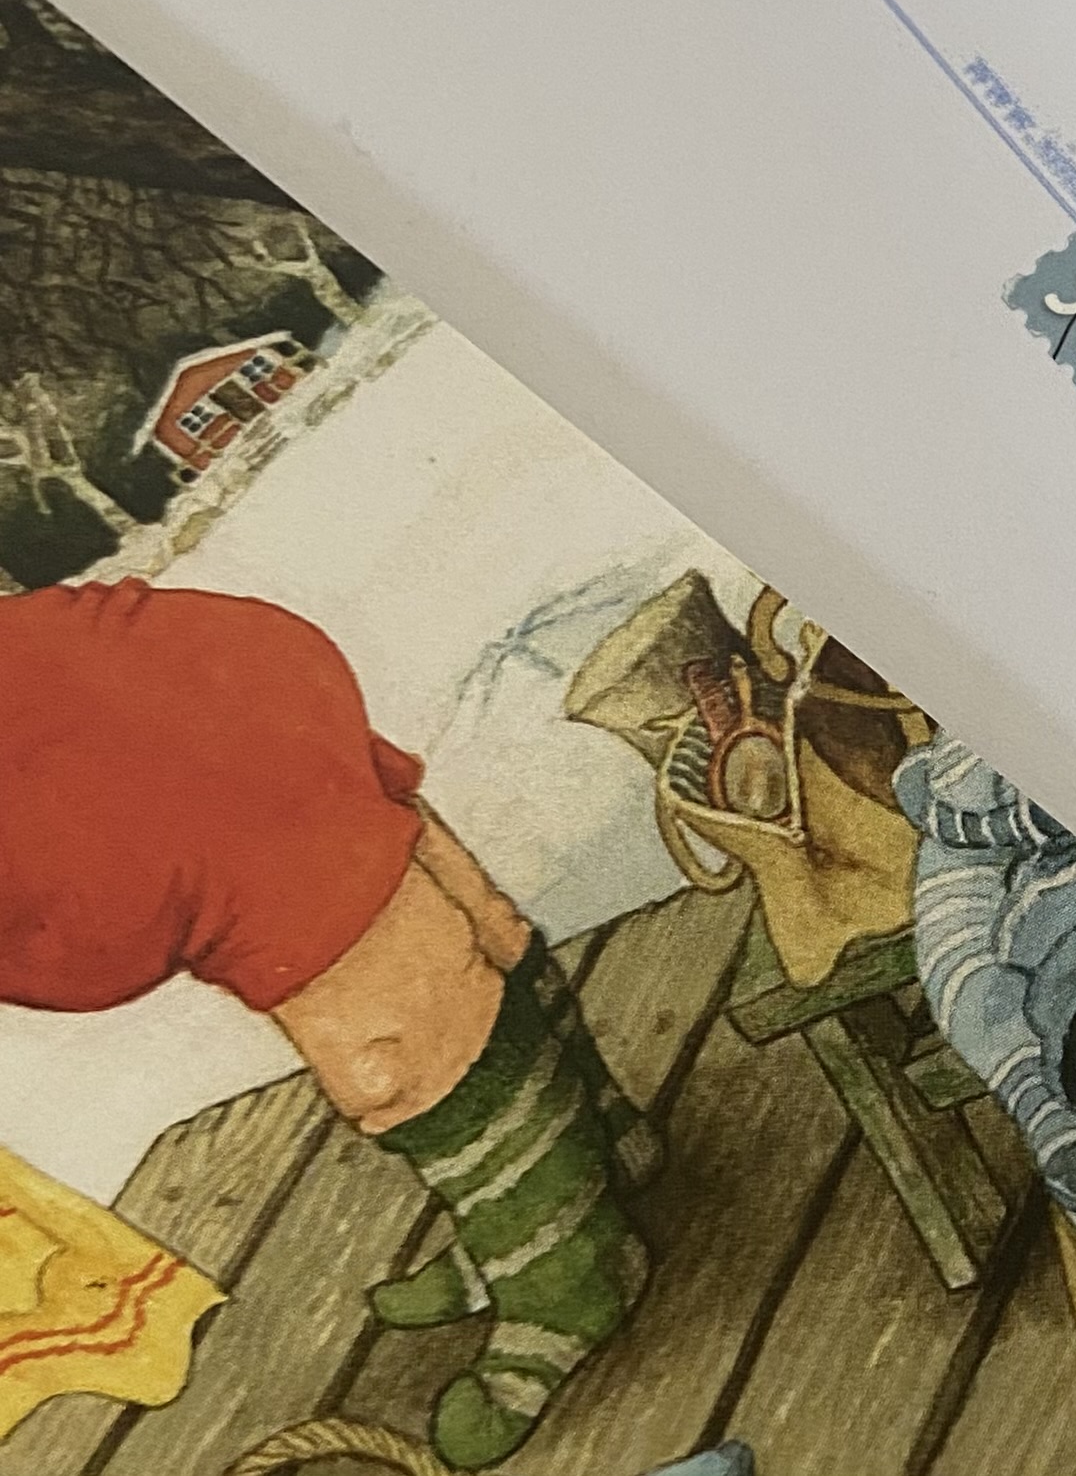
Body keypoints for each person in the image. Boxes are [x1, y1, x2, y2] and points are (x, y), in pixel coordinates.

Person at [0, 580, 656, 1469]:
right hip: (145, 696)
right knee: (467, 911)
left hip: (131, 766)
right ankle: (592, 1156)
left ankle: (569, 1266)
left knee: (387, 1051)